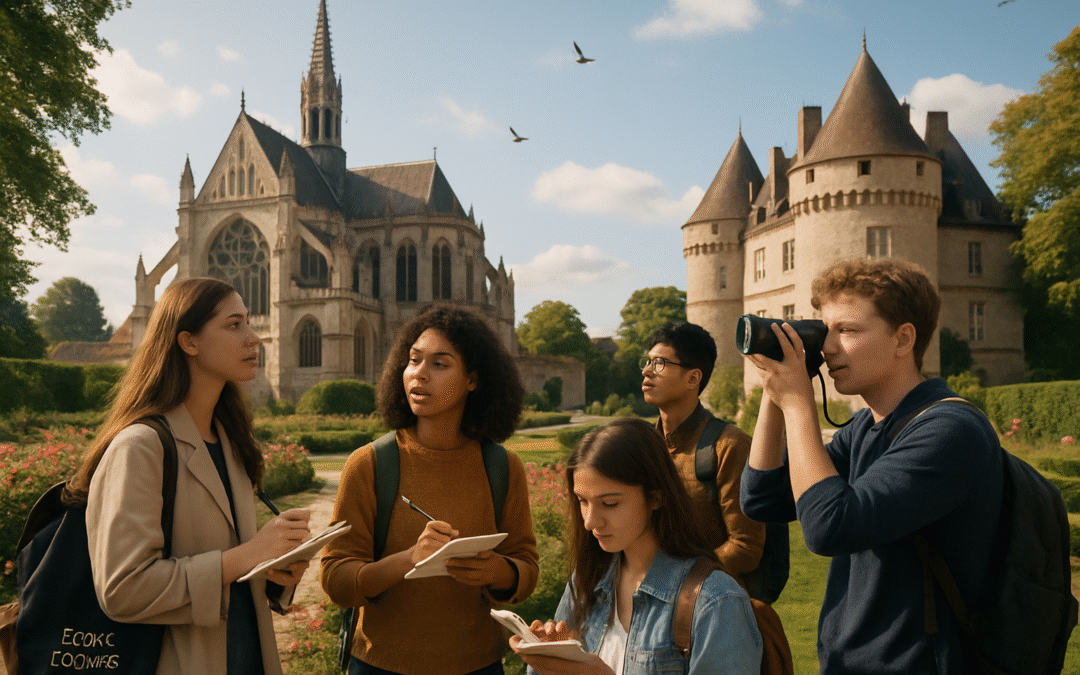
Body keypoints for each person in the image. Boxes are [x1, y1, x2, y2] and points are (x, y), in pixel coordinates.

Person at [740, 258, 1003, 674]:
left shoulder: (950, 430)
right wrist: (775, 394)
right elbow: (763, 499)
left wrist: (797, 403)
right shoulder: (869, 424)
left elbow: (829, 527)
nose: (827, 348)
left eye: (847, 330)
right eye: (826, 331)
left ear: (903, 339)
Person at [73, 277, 311, 675]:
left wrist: (273, 573)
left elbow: (227, 569)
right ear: (189, 342)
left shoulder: (230, 442)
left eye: (248, 323)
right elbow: (123, 589)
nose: (255, 338)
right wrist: (247, 555)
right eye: (234, 325)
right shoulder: (140, 447)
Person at [320, 304, 539, 675]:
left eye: (439, 364)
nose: (419, 374)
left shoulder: (503, 467)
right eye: (414, 360)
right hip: (380, 666)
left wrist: (496, 570)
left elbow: (526, 569)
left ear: (473, 379)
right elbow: (336, 580)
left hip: (478, 667)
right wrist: (409, 560)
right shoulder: (370, 463)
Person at [511, 417, 762, 675]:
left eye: (609, 504)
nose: (589, 521)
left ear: (655, 497)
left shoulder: (715, 601)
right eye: (582, 501)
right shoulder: (588, 579)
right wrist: (548, 658)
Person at [641, 322, 765, 592]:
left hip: (712, 610)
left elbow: (745, 547)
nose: (646, 371)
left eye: (660, 363)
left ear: (693, 379)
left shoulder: (729, 445)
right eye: (647, 361)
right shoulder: (645, 447)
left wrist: (679, 580)